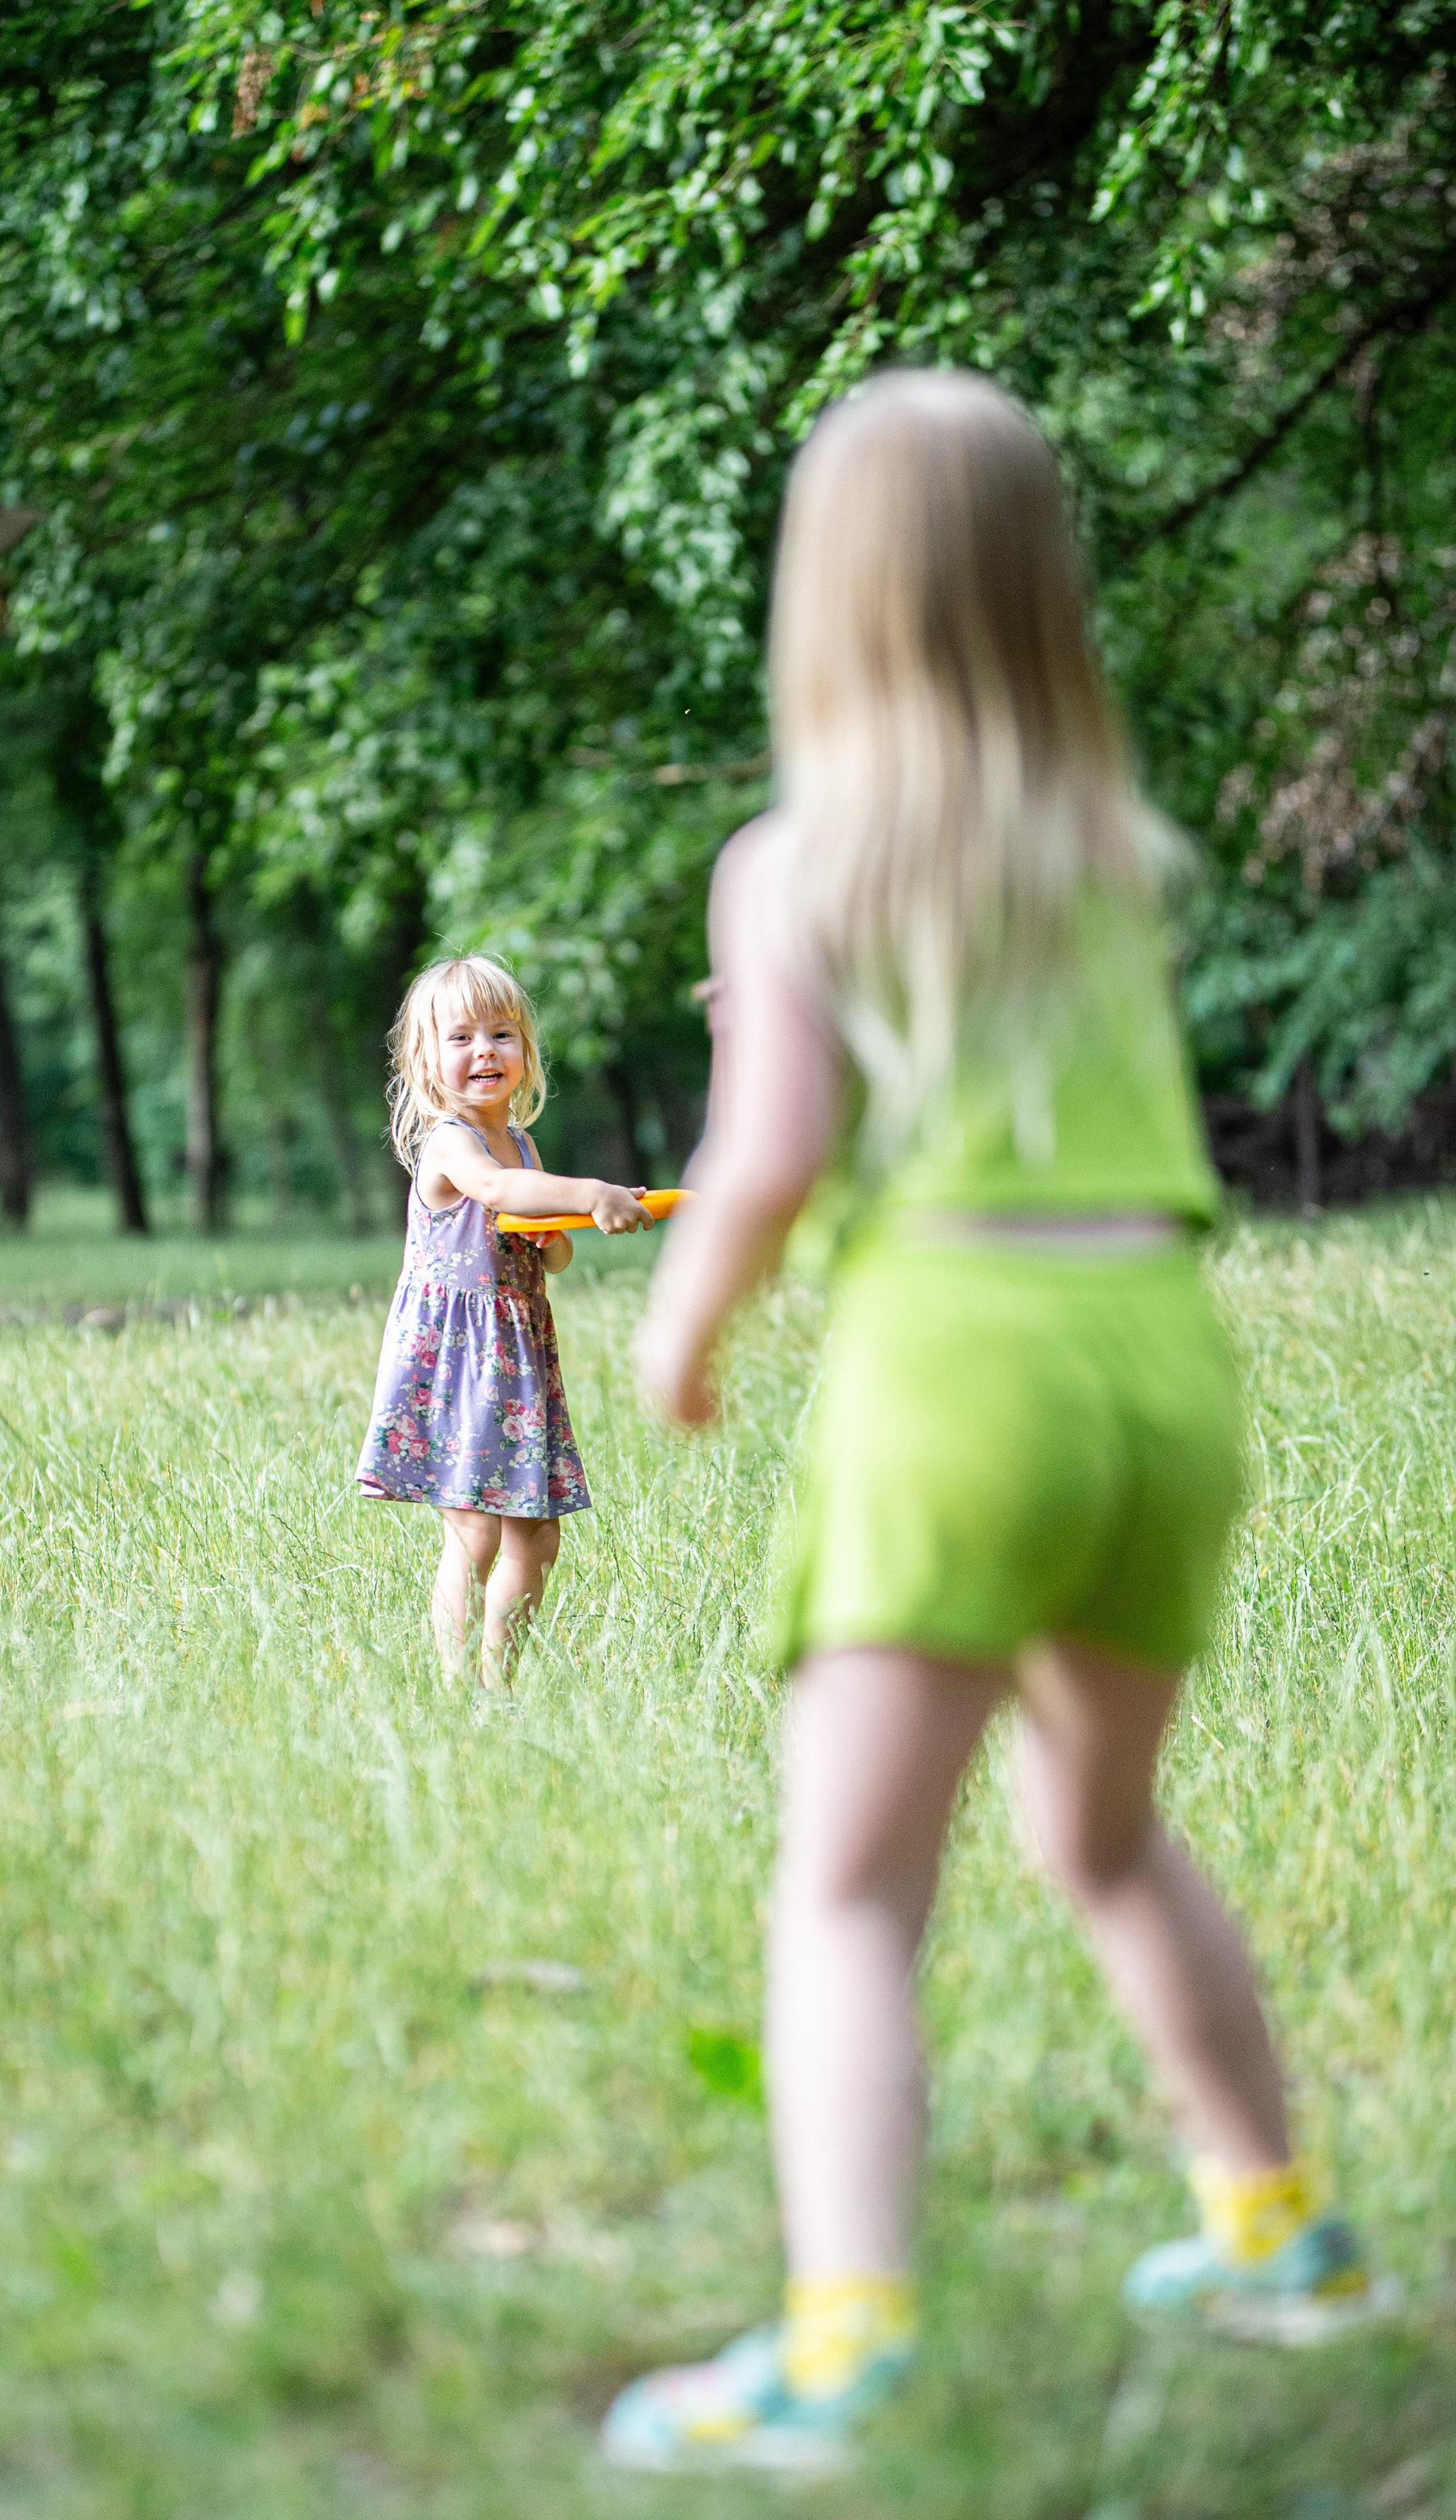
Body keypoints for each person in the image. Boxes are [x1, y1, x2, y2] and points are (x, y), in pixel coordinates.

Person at [603, 371, 1380, 2473]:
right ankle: (1279, 2226)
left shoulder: (793, 865)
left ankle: (843, 2339)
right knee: (1101, 1828)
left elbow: (768, 1155)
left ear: (823, 595)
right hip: (1159, 1366)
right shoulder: (1107, 854)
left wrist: (683, 1319)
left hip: (956, 1374)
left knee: (853, 1888)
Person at [357, 954, 651, 1683]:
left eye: (501, 1034)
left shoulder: (521, 1143)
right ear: (426, 1060)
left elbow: (551, 1256)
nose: (484, 1050)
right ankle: (456, 1683)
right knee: (475, 1531)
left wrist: (561, 1230)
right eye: (460, 1038)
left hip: (515, 1356)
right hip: (455, 1358)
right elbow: (494, 1190)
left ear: (525, 1049)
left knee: (537, 1535)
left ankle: (498, 1686)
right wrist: (590, 1190)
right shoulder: (451, 1141)